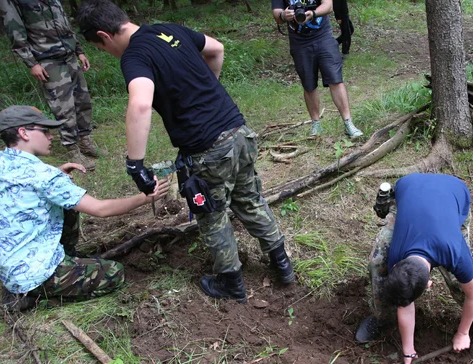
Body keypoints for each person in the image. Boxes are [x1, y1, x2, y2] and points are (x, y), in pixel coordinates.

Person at [76, 0, 295, 303]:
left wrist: (135, 164)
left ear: (104, 35)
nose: (107, 53)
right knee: (249, 198)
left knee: (212, 214)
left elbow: (140, 103)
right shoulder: (169, 30)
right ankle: (282, 265)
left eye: (101, 48)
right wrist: (207, 88)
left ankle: (231, 283)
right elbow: (216, 48)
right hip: (238, 132)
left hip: (208, 149)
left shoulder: (135, 55)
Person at [0, 105, 169, 311]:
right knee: (114, 273)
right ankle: (39, 296)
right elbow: (100, 209)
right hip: (36, 273)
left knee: (67, 204)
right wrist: (144, 198)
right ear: (23, 132)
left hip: (8, 267)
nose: (52, 137)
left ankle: (51, 269)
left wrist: (57, 174)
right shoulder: (43, 175)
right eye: (45, 131)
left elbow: (22, 184)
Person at [355, 173, 473, 361]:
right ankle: (382, 317)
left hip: (452, 193)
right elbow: (404, 297)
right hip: (411, 188)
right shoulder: (396, 255)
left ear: (428, 284)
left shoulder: (454, 252)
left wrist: (463, 333)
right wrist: (408, 351)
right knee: (378, 264)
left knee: (460, 284)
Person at [0, 0, 99, 171]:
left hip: (69, 55)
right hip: (46, 59)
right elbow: (14, 29)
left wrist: (79, 50)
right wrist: (31, 63)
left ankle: (85, 141)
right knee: (63, 106)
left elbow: (64, 23)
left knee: (83, 101)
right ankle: (73, 149)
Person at [271, 0, 363, 138]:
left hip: (323, 36)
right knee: (309, 84)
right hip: (299, 42)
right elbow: (276, 13)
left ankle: (348, 123)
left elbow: (328, 6)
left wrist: (313, 13)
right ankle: (316, 125)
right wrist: (284, 15)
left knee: (335, 79)